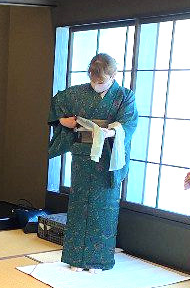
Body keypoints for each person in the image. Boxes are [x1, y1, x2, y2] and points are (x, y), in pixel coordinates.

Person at [47, 53, 138, 271]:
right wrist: (63, 121)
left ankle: (98, 260)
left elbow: (129, 123)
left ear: (113, 76)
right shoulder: (77, 93)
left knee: (103, 207)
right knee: (79, 205)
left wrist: (112, 131)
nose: (96, 84)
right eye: (93, 80)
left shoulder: (124, 96)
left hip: (107, 157)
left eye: (101, 81)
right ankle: (75, 258)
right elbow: (56, 105)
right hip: (82, 155)